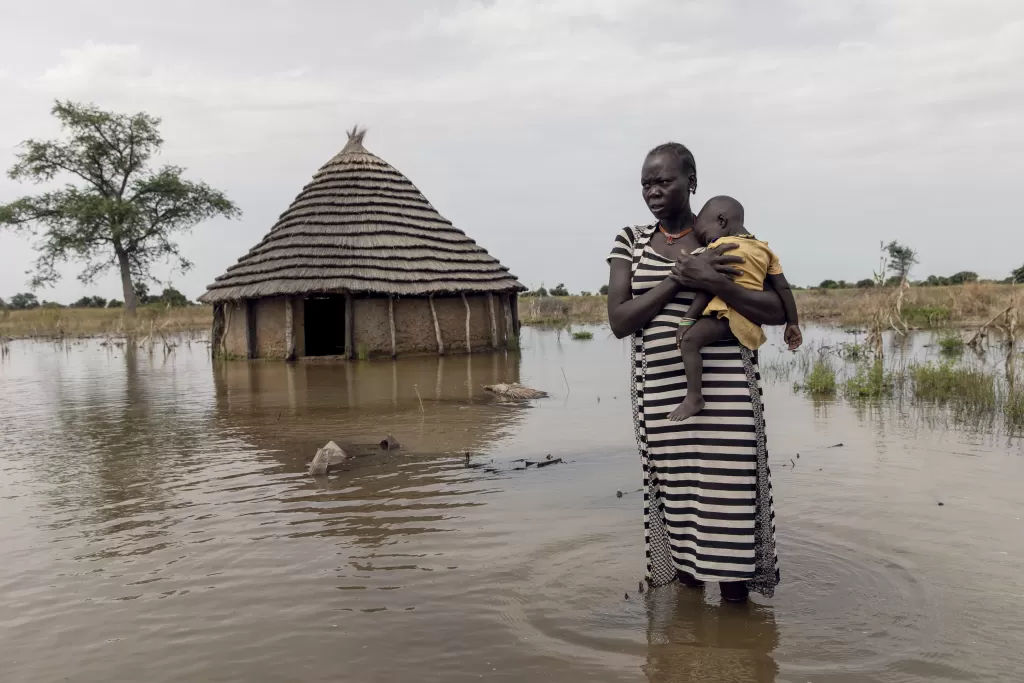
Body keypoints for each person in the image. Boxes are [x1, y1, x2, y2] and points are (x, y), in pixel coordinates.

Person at [606, 142, 784, 603]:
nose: (653, 191)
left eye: (664, 181)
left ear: (692, 182)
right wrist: (680, 278)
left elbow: (778, 309)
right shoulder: (631, 240)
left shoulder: (730, 239)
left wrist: (716, 281)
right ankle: (688, 648)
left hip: (727, 400)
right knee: (682, 522)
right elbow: (621, 321)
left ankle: (739, 648)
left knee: (730, 525)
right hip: (664, 399)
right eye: (646, 183)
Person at [669, 195, 802, 422]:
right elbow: (784, 289)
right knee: (748, 362)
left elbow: (709, 287)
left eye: (704, 235)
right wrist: (793, 323)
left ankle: (694, 397)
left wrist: (688, 319)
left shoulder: (721, 247)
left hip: (728, 314)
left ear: (722, 221)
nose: (704, 243)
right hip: (751, 319)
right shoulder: (765, 250)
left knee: (690, 341)